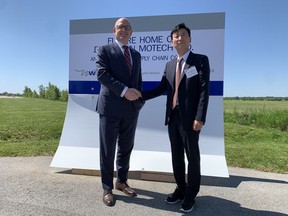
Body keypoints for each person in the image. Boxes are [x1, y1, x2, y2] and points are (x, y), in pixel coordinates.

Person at [141, 23, 210, 213]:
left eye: (183, 35)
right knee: (176, 156)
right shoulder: (170, 65)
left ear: (190, 39)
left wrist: (200, 116)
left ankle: (191, 194)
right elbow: (161, 88)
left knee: (192, 156)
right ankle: (181, 188)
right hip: (173, 117)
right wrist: (139, 94)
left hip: (190, 119)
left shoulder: (200, 60)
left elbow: (204, 90)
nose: (179, 38)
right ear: (171, 42)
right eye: (176, 36)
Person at [95, 17, 144, 207]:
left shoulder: (136, 55)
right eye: (120, 27)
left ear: (131, 32)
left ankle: (121, 181)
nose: (123, 30)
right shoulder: (104, 50)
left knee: (126, 147)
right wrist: (125, 91)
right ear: (113, 31)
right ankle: (107, 187)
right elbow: (102, 74)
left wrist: (138, 100)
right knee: (107, 149)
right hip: (109, 108)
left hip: (131, 110)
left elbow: (137, 80)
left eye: (127, 27)